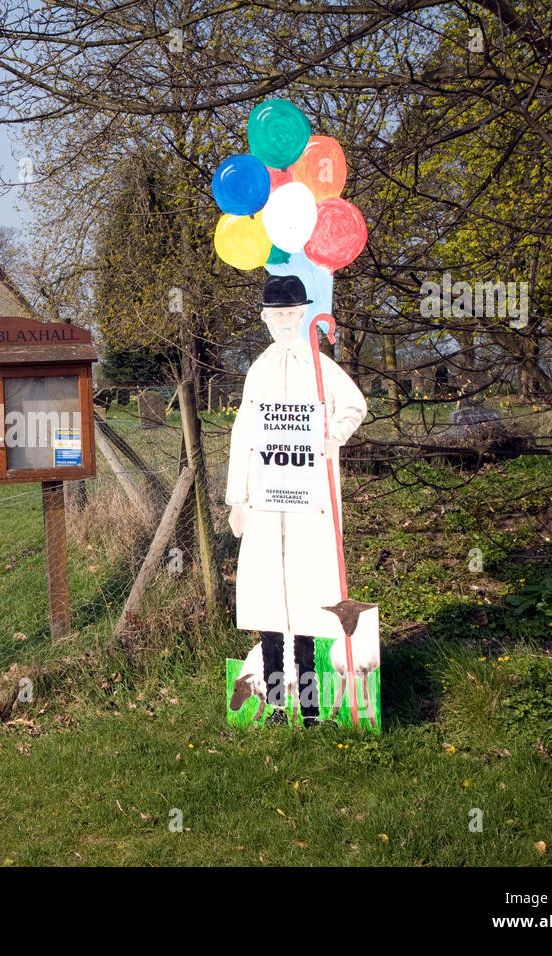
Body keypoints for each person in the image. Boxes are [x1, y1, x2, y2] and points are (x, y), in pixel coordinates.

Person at [226, 275, 367, 725]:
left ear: (303, 314)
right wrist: (238, 497)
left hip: (310, 504)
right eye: (277, 315)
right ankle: (275, 701)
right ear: (265, 318)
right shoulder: (260, 369)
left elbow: (354, 405)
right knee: (269, 601)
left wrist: (333, 437)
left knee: (306, 600)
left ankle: (308, 706)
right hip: (267, 503)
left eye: (291, 314)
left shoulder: (321, 367)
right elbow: (243, 435)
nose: (284, 322)